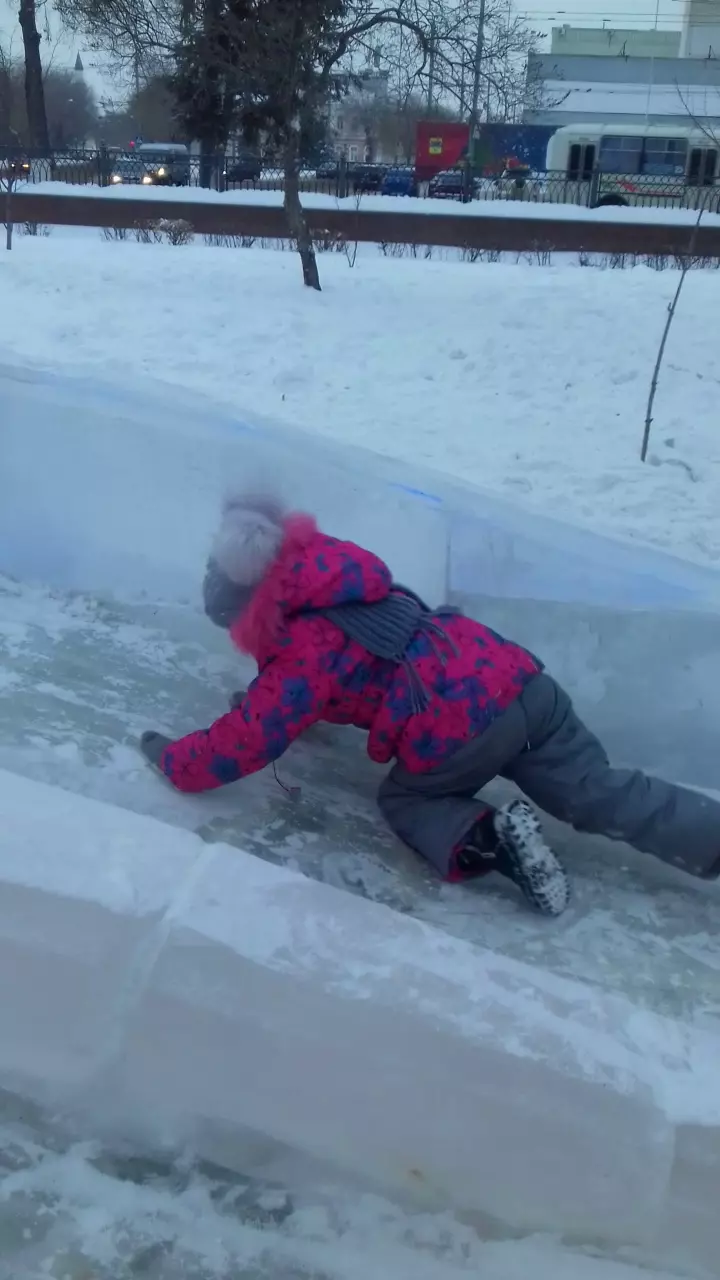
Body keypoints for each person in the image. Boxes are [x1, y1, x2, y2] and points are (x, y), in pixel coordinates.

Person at [140, 495, 720, 916]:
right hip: (516, 677)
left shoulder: (300, 649)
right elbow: (330, 674)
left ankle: (491, 839)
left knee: (408, 798)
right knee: (598, 789)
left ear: (248, 608)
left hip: (457, 725)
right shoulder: (330, 574)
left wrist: (178, 763)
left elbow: (254, 735)